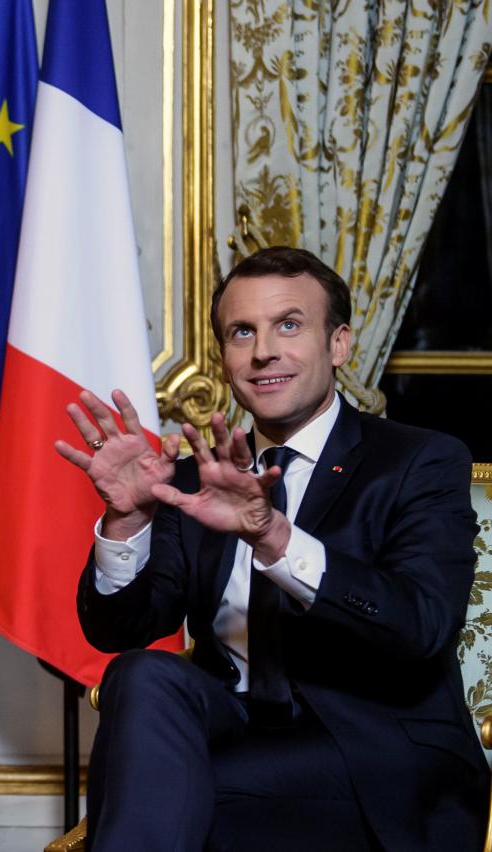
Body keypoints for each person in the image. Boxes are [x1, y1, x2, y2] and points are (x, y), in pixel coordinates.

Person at [60, 246, 489, 851]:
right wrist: (127, 519)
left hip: (371, 745)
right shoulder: (190, 481)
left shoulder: (419, 460)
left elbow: (420, 625)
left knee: (178, 793)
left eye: (289, 324)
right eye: (243, 331)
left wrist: (275, 537)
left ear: (338, 344)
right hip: (233, 721)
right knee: (141, 673)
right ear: (226, 357)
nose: (264, 350)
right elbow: (117, 628)